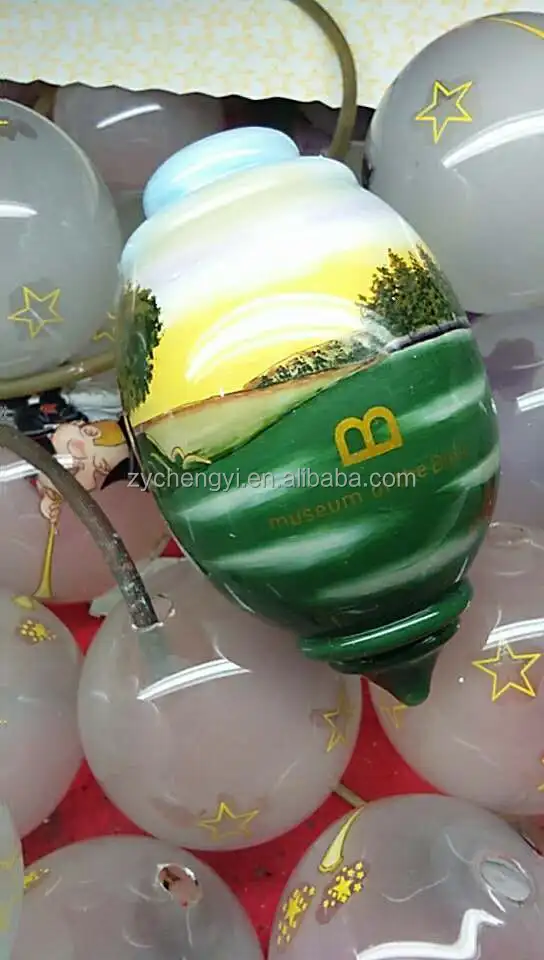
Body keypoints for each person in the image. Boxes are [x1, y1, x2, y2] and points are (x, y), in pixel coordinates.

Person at [36, 419, 127, 524]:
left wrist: (51, 497)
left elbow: (75, 486)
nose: (102, 469)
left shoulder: (87, 471)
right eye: (102, 464)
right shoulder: (69, 437)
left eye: (106, 468)